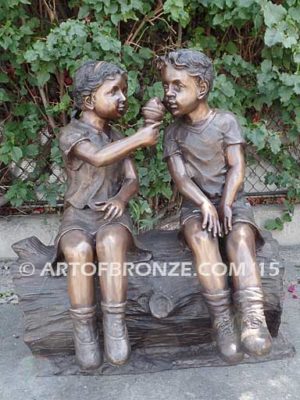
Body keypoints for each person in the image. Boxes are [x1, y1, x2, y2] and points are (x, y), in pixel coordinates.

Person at [156, 49, 272, 363]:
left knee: (239, 239)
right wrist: (205, 204)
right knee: (200, 239)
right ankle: (221, 320)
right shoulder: (173, 133)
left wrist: (227, 203)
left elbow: (236, 167)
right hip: (196, 206)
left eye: (177, 86)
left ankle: (252, 316)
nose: (169, 93)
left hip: (233, 202)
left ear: (201, 88)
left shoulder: (225, 122)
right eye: (166, 86)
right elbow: (181, 179)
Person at [55, 60, 160, 369]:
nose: (123, 98)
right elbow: (98, 158)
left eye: (124, 91)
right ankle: (84, 330)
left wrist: (121, 198)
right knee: (77, 249)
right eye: (114, 91)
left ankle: (115, 324)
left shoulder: (117, 137)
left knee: (111, 242)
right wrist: (141, 137)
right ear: (89, 100)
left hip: (111, 214)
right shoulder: (71, 134)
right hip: (78, 214)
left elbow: (132, 179)